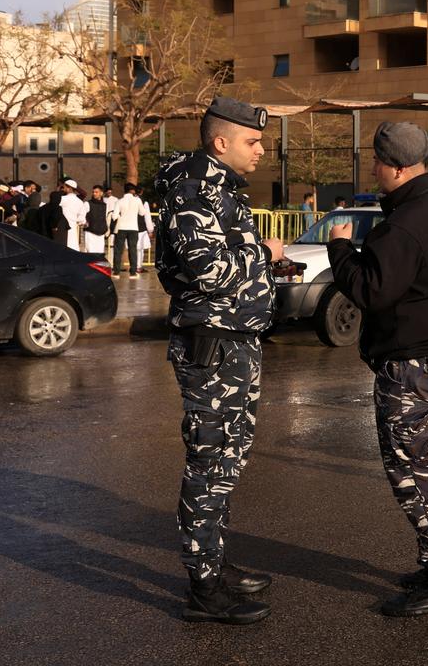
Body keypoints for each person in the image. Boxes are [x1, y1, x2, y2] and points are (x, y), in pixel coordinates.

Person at [325, 122, 428, 617]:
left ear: (396, 167)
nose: (372, 168)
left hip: (421, 362)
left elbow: (371, 290)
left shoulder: (406, 223)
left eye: (376, 161)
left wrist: (339, 247)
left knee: (418, 471)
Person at [154, 96, 282, 626]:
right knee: (209, 460)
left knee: (227, 460)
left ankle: (214, 560)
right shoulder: (194, 189)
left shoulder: (219, 188)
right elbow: (206, 268)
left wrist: (267, 273)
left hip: (234, 341)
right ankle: (203, 587)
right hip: (213, 346)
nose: (260, 152)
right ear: (220, 142)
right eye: (252, 142)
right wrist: (265, 257)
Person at [113, 184, 145, 276]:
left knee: (118, 250)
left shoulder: (119, 201)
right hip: (133, 228)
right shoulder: (137, 200)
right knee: (133, 249)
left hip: (121, 228)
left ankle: (116, 272)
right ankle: (133, 272)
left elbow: (114, 216)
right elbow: (142, 213)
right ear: (132, 191)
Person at [59, 179, 87, 250]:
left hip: (62, 226)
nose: (63, 189)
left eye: (64, 187)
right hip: (73, 226)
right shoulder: (80, 201)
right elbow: (82, 219)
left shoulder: (63, 199)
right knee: (73, 246)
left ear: (69, 188)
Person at [85, 185, 111, 256]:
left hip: (101, 233)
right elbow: (81, 215)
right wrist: (85, 222)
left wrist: (106, 229)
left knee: (100, 254)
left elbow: (105, 217)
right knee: (91, 253)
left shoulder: (105, 205)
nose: (94, 193)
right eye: (93, 192)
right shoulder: (87, 203)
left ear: (101, 193)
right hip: (91, 233)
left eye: (96, 192)